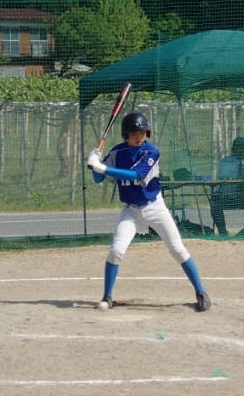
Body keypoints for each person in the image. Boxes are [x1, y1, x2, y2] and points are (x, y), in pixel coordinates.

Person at [86, 111, 211, 312]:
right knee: (116, 251)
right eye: (134, 133)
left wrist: (102, 168)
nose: (139, 137)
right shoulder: (117, 153)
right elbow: (99, 179)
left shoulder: (151, 152)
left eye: (143, 132)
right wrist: (94, 163)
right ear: (126, 135)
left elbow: (135, 175)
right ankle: (107, 297)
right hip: (130, 211)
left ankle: (201, 292)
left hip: (155, 207)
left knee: (178, 249)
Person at [210, 136, 244, 236]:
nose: (241, 151)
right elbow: (224, 178)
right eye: (238, 148)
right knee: (214, 203)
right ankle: (223, 232)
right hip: (226, 197)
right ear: (233, 149)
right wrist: (241, 176)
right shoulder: (225, 162)